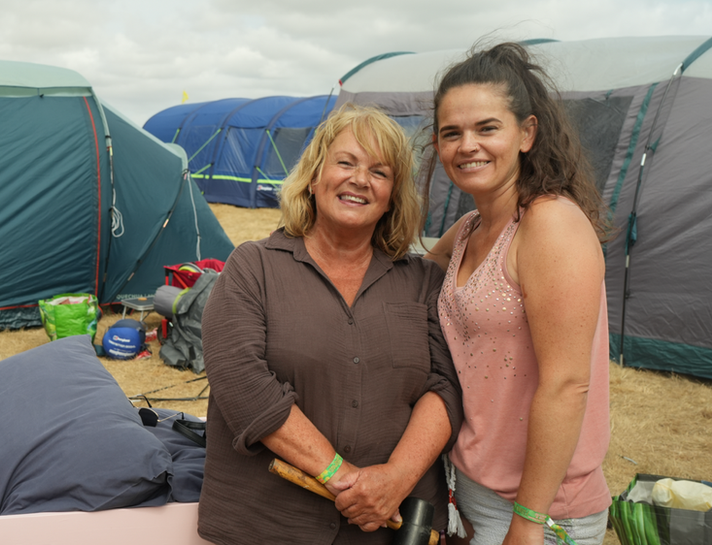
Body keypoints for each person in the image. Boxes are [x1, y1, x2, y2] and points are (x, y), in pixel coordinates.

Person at [197, 104, 463, 545]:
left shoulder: (423, 282)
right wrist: (343, 476)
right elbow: (241, 383)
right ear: (315, 176)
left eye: (380, 171)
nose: (360, 179)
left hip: (391, 529)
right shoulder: (253, 267)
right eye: (346, 162)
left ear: (394, 194)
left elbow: (445, 387)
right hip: (268, 527)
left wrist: (394, 480)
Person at [424, 42, 611, 545]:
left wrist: (528, 523)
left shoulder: (550, 226)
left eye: (487, 128)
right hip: (473, 489)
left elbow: (567, 386)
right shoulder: (467, 230)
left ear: (526, 133)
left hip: (542, 509)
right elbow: (409, 274)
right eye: (451, 133)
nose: (468, 145)